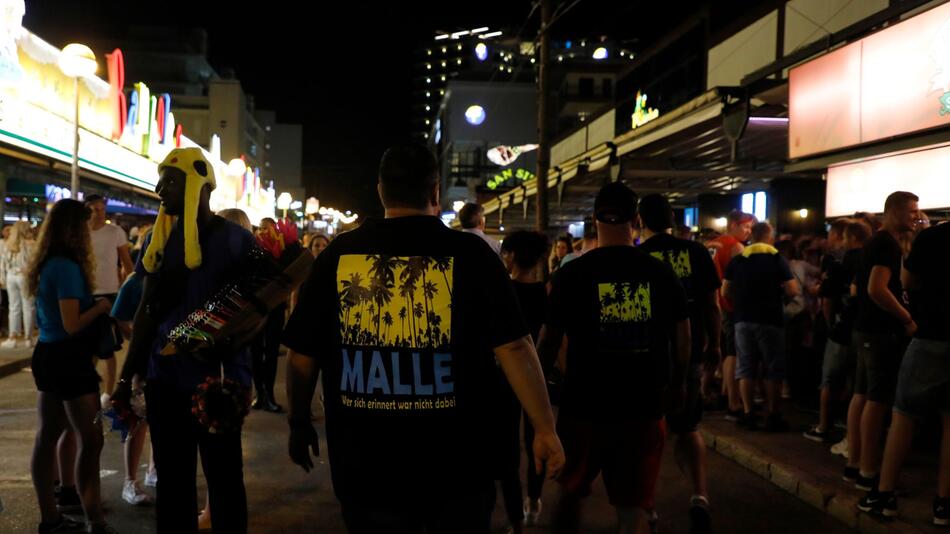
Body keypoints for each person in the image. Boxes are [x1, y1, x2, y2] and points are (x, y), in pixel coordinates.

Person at [283, 144, 564, 533]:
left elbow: (301, 357)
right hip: (457, 471)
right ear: (435, 192)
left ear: (380, 191)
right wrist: (545, 427)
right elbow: (516, 347)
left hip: (365, 469)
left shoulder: (338, 255)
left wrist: (299, 422)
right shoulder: (473, 255)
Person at [115, 147, 257, 534]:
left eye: (171, 181)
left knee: (225, 482)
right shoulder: (156, 242)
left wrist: (230, 342)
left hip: (221, 385)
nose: (160, 189)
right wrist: (127, 378)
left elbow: (265, 305)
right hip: (166, 382)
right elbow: (145, 312)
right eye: (161, 180)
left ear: (201, 184)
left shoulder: (235, 240)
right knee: (174, 487)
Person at [536, 182, 690, 534]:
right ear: (635, 220)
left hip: (583, 405)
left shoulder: (571, 274)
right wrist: (679, 383)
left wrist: (539, 396)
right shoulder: (660, 273)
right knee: (632, 507)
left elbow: (548, 341)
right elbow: (683, 335)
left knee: (571, 493)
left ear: (594, 219)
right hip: (643, 403)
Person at [27, 199, 116, 534]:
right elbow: (72, 324)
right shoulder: (66, 266)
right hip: (68, 358)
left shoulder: (49, 262)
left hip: (48, 354)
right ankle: (95, 521)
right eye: (84, 224)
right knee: (91, 440)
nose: (88, 230)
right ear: (72, 229)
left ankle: (50, 519)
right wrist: (101, 306)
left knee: (47, 436)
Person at [637, 194, 721, 534]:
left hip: (649, 356)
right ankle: (700, 495)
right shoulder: (696, 252)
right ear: (672, 218)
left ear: (639, 221)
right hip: (691, 352)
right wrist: (715, 343)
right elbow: (711, 304)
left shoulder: (639, 257)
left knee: (648, 431)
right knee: (689, 428)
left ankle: (647, 504)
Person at [858, 218, 950, 526]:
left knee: (904, 415)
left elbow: (907, 281)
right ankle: (943, 505)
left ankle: (884, 496)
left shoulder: (934, 235)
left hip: (932, 336)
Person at [844, 191, 919, 492]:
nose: (917, 216)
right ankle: (868, 470)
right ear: (895, 212)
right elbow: (878, 289)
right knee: (877, 399)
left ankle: (854, 464)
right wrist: (906, 318)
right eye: (912, 211)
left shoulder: (878, 241)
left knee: (861, 395)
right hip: (879, 331)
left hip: (864, 329)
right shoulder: (886, 244)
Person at [722, 222, 800, 431]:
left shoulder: (738, 259)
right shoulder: (777, 260)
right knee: (773, 368)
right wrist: (778, 300)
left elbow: (725, 292)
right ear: (769, 237)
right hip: (770, 319)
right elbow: (792, 290)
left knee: (746, 367)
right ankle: (773, 414)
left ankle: (748, 413)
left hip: (742, 319)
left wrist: (740, 302)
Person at [499, 230, 551, 530]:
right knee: (538, 440)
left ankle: (516, 519)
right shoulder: (544, 294)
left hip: (505, 377)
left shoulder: (504, 292)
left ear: (513, 256)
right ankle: (534, 500)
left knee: (507, 449)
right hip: (537, 377)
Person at [805, 221, 869, 443]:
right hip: (866, 329)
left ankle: (824, 427)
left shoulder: (839, 261)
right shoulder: (870, 259)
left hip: (842, 329)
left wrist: (830, 323)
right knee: (857, 384)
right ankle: (852, 430)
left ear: (847, 237)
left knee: (830, 379)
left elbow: (828, 300)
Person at [85, 194, 135, 408]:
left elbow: (127, 262)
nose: (99, 213)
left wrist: (130, 287)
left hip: (109, 292)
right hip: (85, 292)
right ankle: (88, 387)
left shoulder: (115, 232)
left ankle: (108, 392)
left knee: (107, 344)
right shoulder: (80, 233)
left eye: (102, 208)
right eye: (95, 209)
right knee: (89, 345)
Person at [707, 210, 755, 420]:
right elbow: (742, 280)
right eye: (746, 226)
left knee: (725, 350)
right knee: (732, 353)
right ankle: (733, 401)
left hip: (714, 303)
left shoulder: (713, 245)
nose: (748, 231)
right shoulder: (735, 247)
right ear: (734, 224)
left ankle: (727, 393)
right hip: (730, 305)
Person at [2, 220, 36, 348]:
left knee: (13, 307)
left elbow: (3, 263)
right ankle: (28, 337)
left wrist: (3, 277)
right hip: (25, 276)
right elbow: (34, 263)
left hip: (11, 275)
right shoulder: (32, 244)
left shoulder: (9, 244)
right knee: (29, 306)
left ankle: (13, 337)